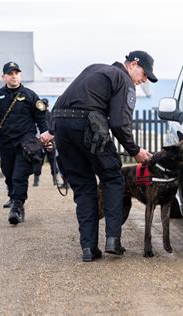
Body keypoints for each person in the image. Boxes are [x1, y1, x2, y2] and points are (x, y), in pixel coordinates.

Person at [42, 51, 155, 262]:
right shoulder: (124, 80)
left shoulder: (94, 68)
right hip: (88, 126)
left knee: (84, 187)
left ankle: (88, 248)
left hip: (61, 125)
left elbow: (61, 101)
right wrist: (135, 150)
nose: (144, 79)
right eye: (144, 73)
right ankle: (113, 240)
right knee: (113, 178)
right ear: (133, 64)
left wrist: (51, 130)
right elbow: (119, 124)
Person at [0, 61, 50, 225]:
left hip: (26, 141)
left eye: (16, 73)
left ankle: (17, 206)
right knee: (8, 173)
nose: (14, 76)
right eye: (10, 73)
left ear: (20, 75)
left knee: (19, 175)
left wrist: (45, 135)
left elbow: (41, 119)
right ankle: (15, 198)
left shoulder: (30, 95)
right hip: (6, 142)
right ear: (3, 77)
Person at [32, 98, 57, 186]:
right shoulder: (35, 114)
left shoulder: (50, 115)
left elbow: (53, 127)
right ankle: (36, 180)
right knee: (38, 160)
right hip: (38, 140)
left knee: (52, 160)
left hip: (49, 139)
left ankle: (55, 180)